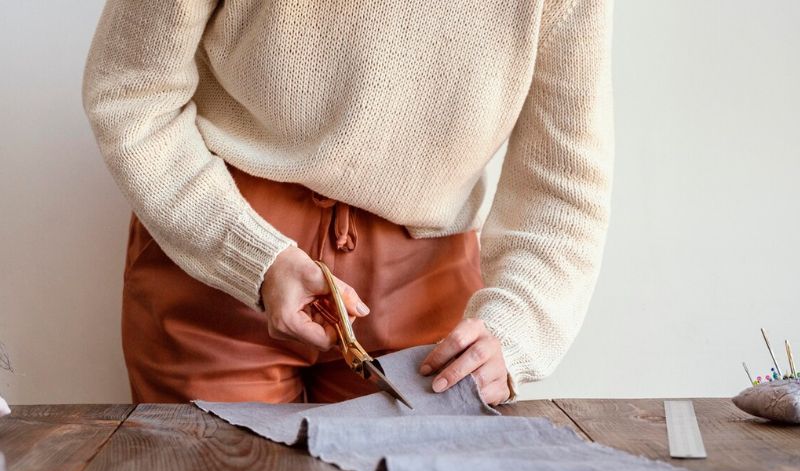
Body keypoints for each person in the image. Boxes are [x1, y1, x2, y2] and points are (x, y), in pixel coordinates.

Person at [82, 0, 614, 406]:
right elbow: (132, 92)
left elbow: (563, 184)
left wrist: (512, 331)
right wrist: (253, 258)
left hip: (429, 298)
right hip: (217, 265)